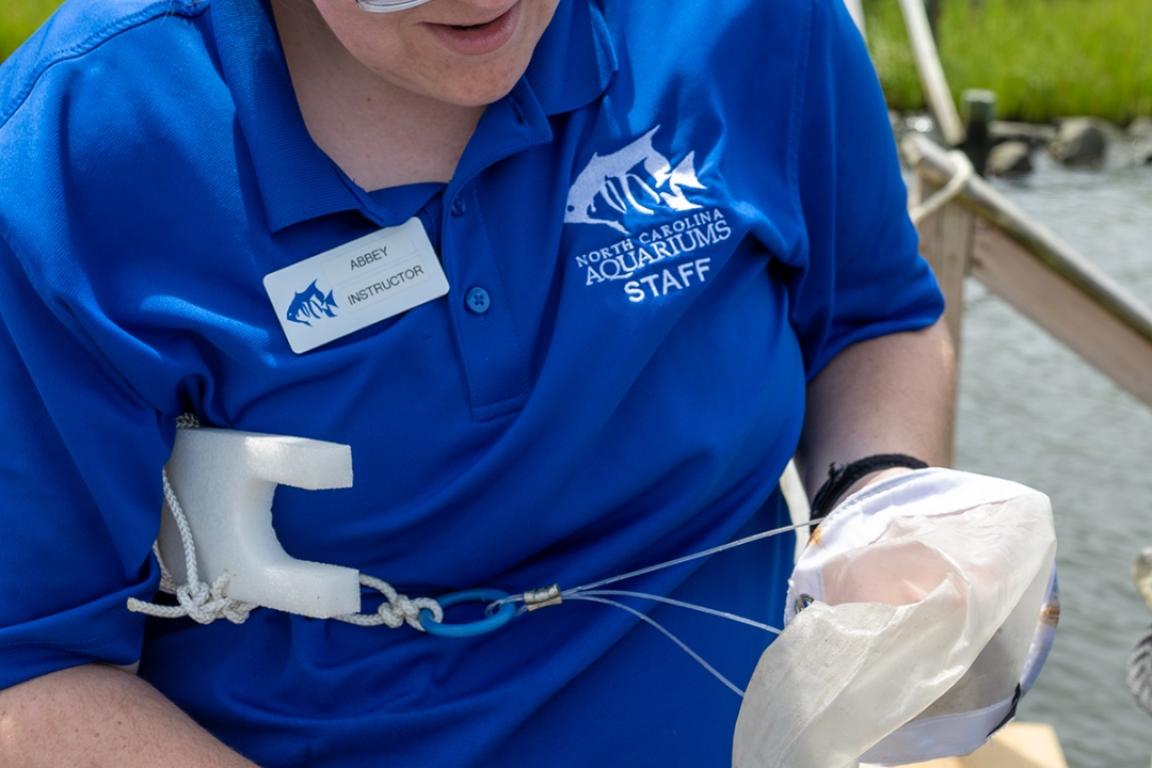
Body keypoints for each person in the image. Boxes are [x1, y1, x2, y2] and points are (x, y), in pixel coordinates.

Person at [0, 0, 954, 765]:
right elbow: (28, 673)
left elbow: (873, 320)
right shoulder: (75, 154)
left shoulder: (753, 25)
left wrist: (885, 496)